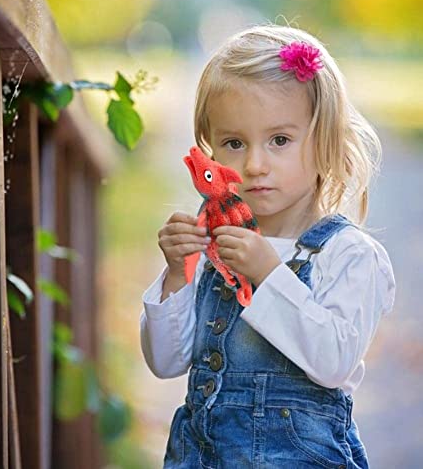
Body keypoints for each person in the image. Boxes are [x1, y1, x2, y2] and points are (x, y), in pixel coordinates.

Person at [139, 24, 396, 468]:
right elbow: (166, 362)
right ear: (211, 153)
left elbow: (332, 362)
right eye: (234, 143)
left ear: (324, 142)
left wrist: (269, 274)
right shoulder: (218, 249)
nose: (255, 165)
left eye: (280, 140)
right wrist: (178, 275)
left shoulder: (348, 255)